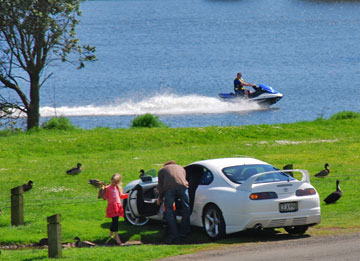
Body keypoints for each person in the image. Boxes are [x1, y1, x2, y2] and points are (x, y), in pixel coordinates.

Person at [156, 160, 190, 244]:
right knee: (186, 209)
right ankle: (184, 232)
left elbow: (160, 186)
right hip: (183, 187)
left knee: (169, 211)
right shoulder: (181, 168)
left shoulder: (162, 170)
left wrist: (160, 197)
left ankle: (175, 236)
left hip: (169, 190)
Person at [98, 173, 124, 246]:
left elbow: (121, 196)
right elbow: (104, 198)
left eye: (116, 182)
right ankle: (117, 236)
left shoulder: (117, 188)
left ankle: (111, 234)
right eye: (113, 182)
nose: (114, 183)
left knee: (115, 221)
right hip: (112, 207)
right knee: (115, 221)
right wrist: (101, 192)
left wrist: (129, 195)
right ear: (111, 180)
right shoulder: (107, 188)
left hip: (118, 206)